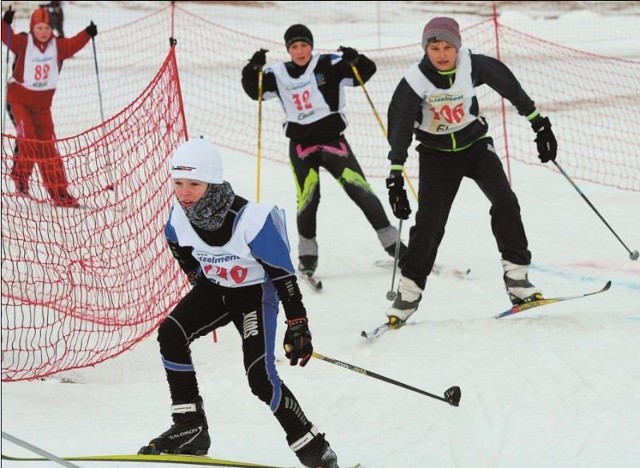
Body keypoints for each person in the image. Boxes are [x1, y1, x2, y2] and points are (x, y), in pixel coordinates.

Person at [138, 137, 339, 468]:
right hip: (217, 289)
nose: (184, 192)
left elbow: (284, 276)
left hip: (254, 295)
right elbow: (180, 250)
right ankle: (190, 426)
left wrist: (297, 324)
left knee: (259, 376)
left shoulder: (252, 220)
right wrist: (199, 280)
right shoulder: (177, 217)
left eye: (194, 184)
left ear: (213, 181)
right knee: (171, 334)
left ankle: (315, 448)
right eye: (178, 183)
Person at [384, 17, 557, 326]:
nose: (441, 54)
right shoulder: (415, 79)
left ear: (457, 46)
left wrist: (538, 122)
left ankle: (517, 280)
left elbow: (508, 86)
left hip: (475, 145)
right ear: (426, 49)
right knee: (430, 224)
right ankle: (408, 293)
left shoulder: (472, 65)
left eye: (448, 47)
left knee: (505, 201)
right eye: (434, 47)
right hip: (436, 154)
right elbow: (399, 122)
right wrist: (395, 172)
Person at [241, 24, 406, 279]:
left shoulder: (329, 64)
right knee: (308, 199)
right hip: (301, 146)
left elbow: (366, 72)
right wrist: (253, 69)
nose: (300, 51)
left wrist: (356, 59)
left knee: (360, 190)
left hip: (333, 142)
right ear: (288, 49)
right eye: (294, 46)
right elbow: (255, 91)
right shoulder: (278, 72)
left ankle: (394, 246)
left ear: (311, 46)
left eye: (304, 45)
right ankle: (307, 258)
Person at [1, 6, 97, 207]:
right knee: (29, 140)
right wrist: (5, 22)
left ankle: (60, 194)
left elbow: (73, 44)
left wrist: (87, 33)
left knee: (48, 149)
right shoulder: (23, 42)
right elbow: (4, 35)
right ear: (32, 28)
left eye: (46, 28)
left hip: (43, 107)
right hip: (19, 101)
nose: (43, 32)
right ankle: (20, 178)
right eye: (39, 28)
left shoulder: (58, 46)